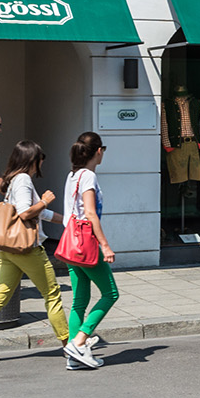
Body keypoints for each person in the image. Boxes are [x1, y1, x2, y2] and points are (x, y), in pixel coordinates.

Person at [0, 140, 75, 366]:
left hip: (9, 250)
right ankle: (70, 345)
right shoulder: (23, 180)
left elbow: (38, 214)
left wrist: (66, 220)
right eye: (41, 158)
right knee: (52, 295)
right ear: (33, 159)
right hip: (27, 250)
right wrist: (44, 200)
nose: (42, 162)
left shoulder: (13, 180)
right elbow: (25, 213)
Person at [62, 131, 119, 369]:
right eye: (103, 150)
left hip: (70, 245)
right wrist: (105, 245)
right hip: (87, 245)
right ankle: (80, 340)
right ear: (98, 151)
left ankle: (74, 357)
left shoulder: (72, 175)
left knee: (79, 302)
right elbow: (90, 213)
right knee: (111, 294)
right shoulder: (88, 177)